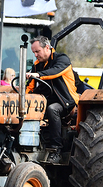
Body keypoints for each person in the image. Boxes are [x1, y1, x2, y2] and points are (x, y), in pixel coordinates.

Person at [26, 35, 79, 163]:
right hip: (48, 98)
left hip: (66, 102)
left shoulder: (62, 60)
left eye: (37, 51)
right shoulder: (37, 65)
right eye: (33, 52)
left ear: (47, 48)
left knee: (52, 109)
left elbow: (54, 72)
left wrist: (38, 74)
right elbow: (30, 86)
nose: (35, 55)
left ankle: (56, 150)